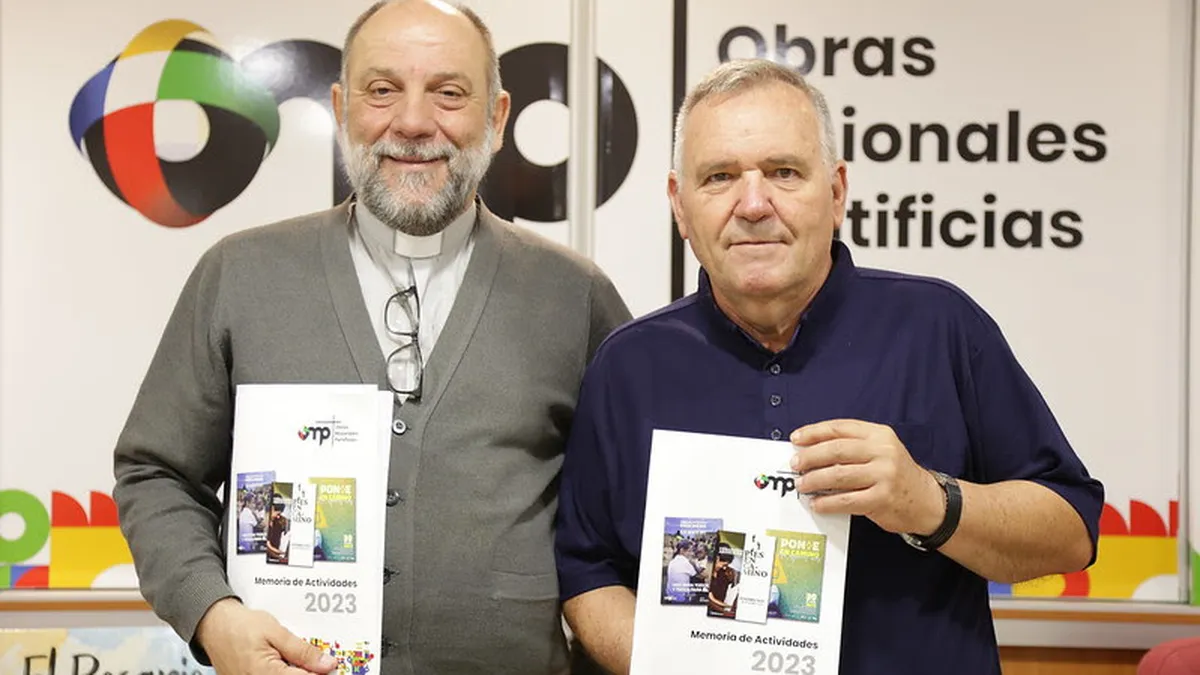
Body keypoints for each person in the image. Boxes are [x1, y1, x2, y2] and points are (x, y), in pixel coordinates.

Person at [111, 1, 631, 673]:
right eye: (382, 90)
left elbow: (629, 514)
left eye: (449, 93)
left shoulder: (574, 295)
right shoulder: (239, 275)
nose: (412, 122)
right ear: (340, 108)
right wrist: (212, 614)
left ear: (498, 118)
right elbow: (157, 473)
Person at [553, 57, 1104, 675]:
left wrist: (928, 499)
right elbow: (588, 570)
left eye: (784, 172)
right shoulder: (628, 367)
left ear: (837, 192)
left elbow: (1072, 532)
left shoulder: (941, 327)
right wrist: (668, 665)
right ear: (680, 205)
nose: (753, 204)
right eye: (720, 177)